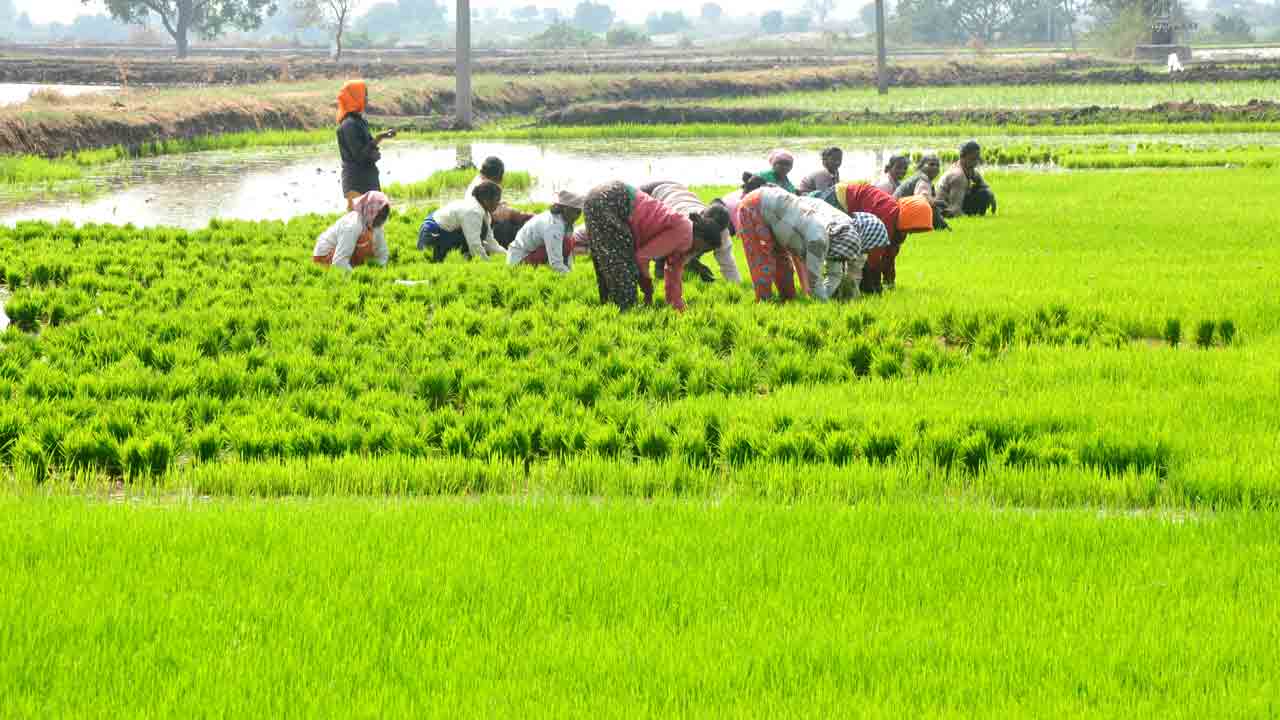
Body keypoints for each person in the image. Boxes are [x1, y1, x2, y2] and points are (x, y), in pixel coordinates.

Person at [735, 185, 888, 302]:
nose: (839, 262)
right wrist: (825, 306)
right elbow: (814, 282)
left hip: (784, 216)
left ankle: (788, 301)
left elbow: (835, 272)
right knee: (763, 260)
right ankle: (764, 303)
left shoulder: (840, 234)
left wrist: (829, 296)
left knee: (783, 263)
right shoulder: (818, 241)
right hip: (756, 206)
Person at [581, 181, 696, 311]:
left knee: (606, 262)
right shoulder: (683, 235)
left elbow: (673, 271)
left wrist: (676, 303)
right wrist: (647, 288)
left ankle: (610, 310)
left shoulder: (683, 231)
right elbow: (641, 258)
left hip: (604, 195)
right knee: (621, 268)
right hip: (614, 200)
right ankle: (625, 314)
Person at [814, 182, 947, 293]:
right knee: (838, 251)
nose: (911, 233)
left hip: (851, 202)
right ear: (909, 219)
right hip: (839, 199)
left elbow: (890, 253)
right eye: (913, 229)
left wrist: (889, 281)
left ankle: (843, 288)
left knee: (854, 262)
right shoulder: (888, 217)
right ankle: (826, 291)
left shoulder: (899, 222)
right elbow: (873, 256)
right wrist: (875, 285)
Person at [639, 181, 740, 285]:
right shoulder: (680, 223)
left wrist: (736, 287)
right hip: (652, 192)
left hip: (678, 191)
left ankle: (691, 265)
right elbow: (657, 252)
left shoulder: (721, 232)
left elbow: (729, 266)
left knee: (690, 251)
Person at [336, 80, 395, 210]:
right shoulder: (349, 125)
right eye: (364, 95)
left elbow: (366, 147)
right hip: (357, 182)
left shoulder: (358, 121)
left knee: (372, 223)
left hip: (366, 178)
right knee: (359, 224)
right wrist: (378, 139)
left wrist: (381, 138)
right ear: (355, 98)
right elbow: (360, 156)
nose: (367, 99)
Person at [417, 181, 506, 261]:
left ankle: (464, 256)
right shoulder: (473, 212)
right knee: (479, 234)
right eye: (497, 200)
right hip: (431, 236)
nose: (498, 203)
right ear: (486, 200)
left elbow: (490, 241)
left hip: (442, 231)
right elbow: (474, 245)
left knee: (483, 230)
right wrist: (488, 264)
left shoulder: (481, 210)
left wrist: (508, 255)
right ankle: (456, 256)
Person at [506, 190, 585, 273]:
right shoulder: (553, 226)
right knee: (565, 244)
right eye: (576, 212)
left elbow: (569, 253)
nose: (578, 216)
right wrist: (570, 276)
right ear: (565, 209)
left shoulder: (566, 220)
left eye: (579, 212)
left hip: (532, 252)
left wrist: (570, 269)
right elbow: (556, 264)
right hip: (518, 261)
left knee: (569, 242)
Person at [312, 191, 391, 272]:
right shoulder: (352, 226)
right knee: (364, 242)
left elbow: (383, 253)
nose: (382, 219)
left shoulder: (373, 222)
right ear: (370, 210)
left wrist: (379, 267)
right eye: (380, 214)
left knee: (368, 242)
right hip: (325, 257)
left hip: (343, 253)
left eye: (384, 215)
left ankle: (353, 265)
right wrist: (357, 276)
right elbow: (339, 262)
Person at [937, 141, 997, 217]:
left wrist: (991, 196)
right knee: (983, 194)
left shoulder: (969, 170)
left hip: (955, 203)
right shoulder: (958, 176)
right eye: (972, 159)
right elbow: (955, 208)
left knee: (984, 192)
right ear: (962, 157)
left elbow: (984, 186)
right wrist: (963, 216)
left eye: (977, 159)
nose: (975, 163)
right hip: (944, 208)